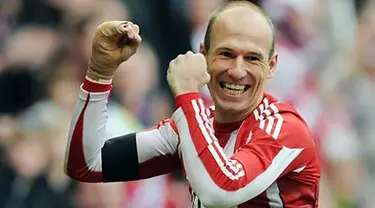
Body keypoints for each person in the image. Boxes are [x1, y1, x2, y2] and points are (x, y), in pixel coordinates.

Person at [64, 1, 320, 207]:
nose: (237, 71)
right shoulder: (191, 125)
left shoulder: (285, 128)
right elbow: (86, 164)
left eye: (252, 58)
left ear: (271, 66)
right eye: (226, 54)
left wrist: (187, 93)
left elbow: (221, 191)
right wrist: (99, 73)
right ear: (203, 54)